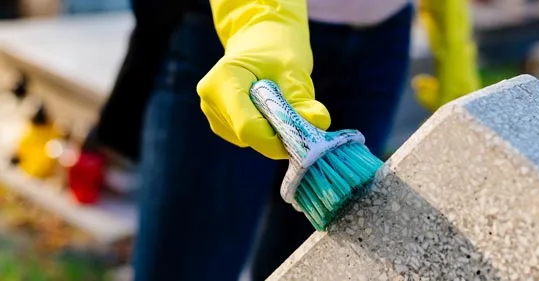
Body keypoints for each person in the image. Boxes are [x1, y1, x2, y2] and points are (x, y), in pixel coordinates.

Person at [92, 0, 480, 280]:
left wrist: (454, 43)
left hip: (382, 37)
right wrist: (262, 22)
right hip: (234, 43)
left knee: (323, 265)